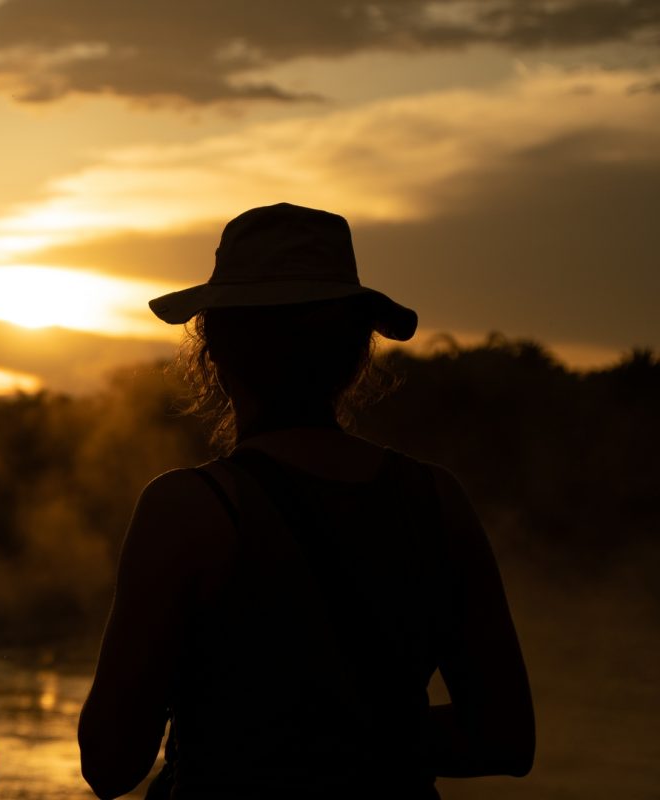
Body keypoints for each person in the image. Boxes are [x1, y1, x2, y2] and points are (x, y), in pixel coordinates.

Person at [78, 203, 534, 799]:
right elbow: (504, 737)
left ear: (213, 348)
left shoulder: (190, 509)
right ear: (357, 353)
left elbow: (110, 763)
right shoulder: (436, 499)